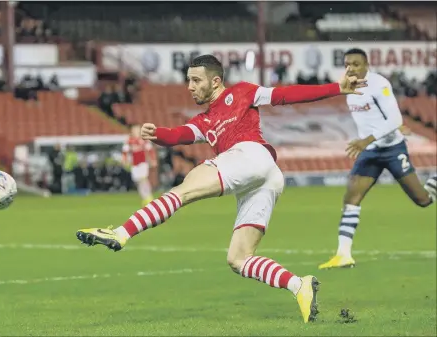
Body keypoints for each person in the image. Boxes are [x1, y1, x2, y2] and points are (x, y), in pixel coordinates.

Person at [76, 54, 367, 323]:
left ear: (215, 81)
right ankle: (299, 285)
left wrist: (336, 88)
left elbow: (284, 95)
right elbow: (179, 135)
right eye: (188, 80)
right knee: (238, 259)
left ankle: (121, 233)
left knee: (183, 190)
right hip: (267, 177)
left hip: (250, 155)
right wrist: (157, 134)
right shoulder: (204, 120)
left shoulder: (242, 91)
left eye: (196, 80)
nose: (190, 86)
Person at [319, 48, 437, 270]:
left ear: (366, 65)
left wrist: (367, 139)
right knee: (351, 199)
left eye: (355, 64)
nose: (350, 68)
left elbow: (394, 117)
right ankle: (343, 254)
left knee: (422, 200)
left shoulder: (379, 84)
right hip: (370, 152)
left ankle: (433, 183)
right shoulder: (347, 85)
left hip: (392, 148)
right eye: (347, 64)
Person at [122, 124, 157, 205]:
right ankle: (144, 197)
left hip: (143, 163)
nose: (136, 131)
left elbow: (150, 150)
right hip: (134, 164)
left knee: (143, 179)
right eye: (134, 130)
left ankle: (149, 197)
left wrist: (153, 160)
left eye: (137, 129)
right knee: (138, 181)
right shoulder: (129, 141)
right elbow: (125, 152)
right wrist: (124, 160)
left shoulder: (144, 139)